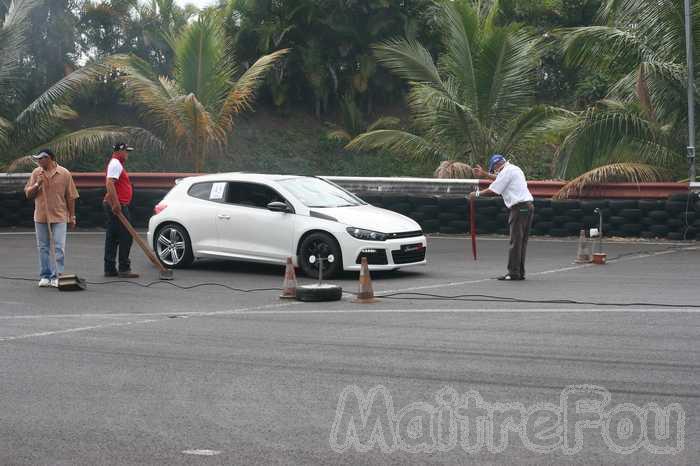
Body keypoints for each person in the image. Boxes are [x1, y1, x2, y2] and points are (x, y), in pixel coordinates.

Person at [470, 154, 534, 281]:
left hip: (519, 208)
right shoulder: (514, 169)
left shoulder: (506, 172)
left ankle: (513, 273)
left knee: (515, 241)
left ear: (497, 165)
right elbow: (500, 178)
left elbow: (494, 191)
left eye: (494, 169)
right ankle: (519, 272)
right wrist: (484, 174)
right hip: (528, 207)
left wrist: (476, 194)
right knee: (521, 242)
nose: (495, 172)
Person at [24, 149, 79, 287]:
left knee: (59, 246)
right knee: (43, 247)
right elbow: (28, 194)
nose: (39, 161)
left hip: (60, 216)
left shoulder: (64, 173)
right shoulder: (36, 173)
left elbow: (71, 196)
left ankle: (56, 275)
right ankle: (45, 276)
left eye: (42, 158)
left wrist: (72, 216)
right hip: (41, 216)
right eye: (38, 158)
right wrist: (37, 184)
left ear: (50, 159)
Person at [104, 143, 139, 278]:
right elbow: (109, 183)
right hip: (118, 205)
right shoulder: (115, 164)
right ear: (119, 151)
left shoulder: (116, 164)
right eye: (126, 151)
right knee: (126, 236)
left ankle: (110, 268)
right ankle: (124, 268)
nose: (127, 154)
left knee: (112, 236)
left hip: (115, 203)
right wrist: (116, 203)